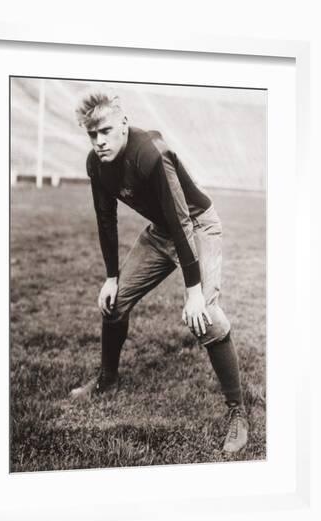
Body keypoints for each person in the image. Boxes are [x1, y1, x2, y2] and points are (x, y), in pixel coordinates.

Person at [70, 86, 248, 453]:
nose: (99, 141)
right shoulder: (96, 164)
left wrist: (194, 291)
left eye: (105, 131)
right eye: (92, 135)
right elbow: (106, 220)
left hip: (197, 226)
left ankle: (238, 411)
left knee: (206, 317)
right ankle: (107, 379)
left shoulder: (151, 152)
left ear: (123, 123)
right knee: (114, 303)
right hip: (162, 231)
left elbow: (183, 220)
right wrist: (110, 277)